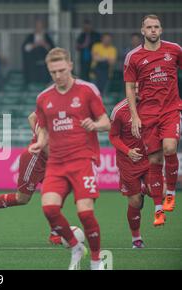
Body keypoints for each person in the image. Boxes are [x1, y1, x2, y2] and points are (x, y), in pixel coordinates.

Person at [30, 48, 110, 270]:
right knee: (49, 209)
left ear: (71, 66)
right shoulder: (43, 98)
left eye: (62, 70)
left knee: (85, 213)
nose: (58, 76)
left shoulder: (87, 91)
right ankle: (76, 246)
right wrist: (40, 141)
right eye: (53, 72)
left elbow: (107, 122)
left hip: (83, 159)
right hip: (56, 163)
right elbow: (44, 128)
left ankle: (95, 261)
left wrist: (94, 125)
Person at [125, 14, 181, 222]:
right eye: (149, 27)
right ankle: (158, 208)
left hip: (170, 111)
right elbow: (130, 87)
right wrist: (134, 115)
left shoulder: (174, 50)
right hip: (147, 115)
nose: (153, 30)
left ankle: (171, 194)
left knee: (170, 148)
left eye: (156, 27)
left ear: (161, 29)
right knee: (155, 160)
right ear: (143, 31)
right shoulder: (133, 57)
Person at [0, 112, 62, 245]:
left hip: (51, 160)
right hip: (35, 158)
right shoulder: (51, 103)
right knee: (22, 199)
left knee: (56, 194)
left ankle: (55, 233)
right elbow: (31, 117)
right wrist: (38, 136)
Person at [110, 98, 153, 245]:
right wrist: (127, 151)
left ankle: (144, 189)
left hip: (149, 160)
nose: (136, 91)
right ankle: (136, 239)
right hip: (127, 162)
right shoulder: (119, 110)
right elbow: (113, 136)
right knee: (135, 201)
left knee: (158, 191)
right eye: (133, 87)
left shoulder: (151, 104)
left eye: (138, 87)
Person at [22, 19, 55, 86]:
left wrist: (44, 44)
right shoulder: (31, 37)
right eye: (37, 26)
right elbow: (25, 48)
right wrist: (35, 44)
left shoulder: (46, 37)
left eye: (40, 27)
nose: (39, 28)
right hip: (33, 63)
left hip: (45, 63)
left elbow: (52, 49)